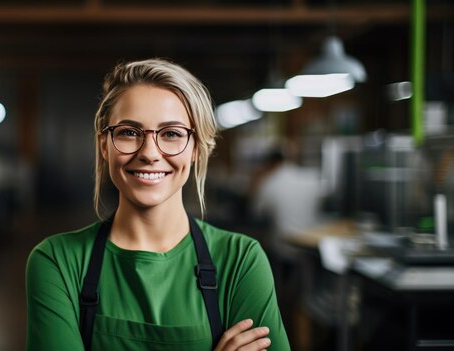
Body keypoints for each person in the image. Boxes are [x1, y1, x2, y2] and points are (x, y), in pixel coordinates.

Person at [26, 58, 290, 351]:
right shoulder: (57, 262)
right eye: (128, 132)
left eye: (172, 134)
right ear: (104, 145)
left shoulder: (241, 261)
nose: (150, 153)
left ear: (195, 149)